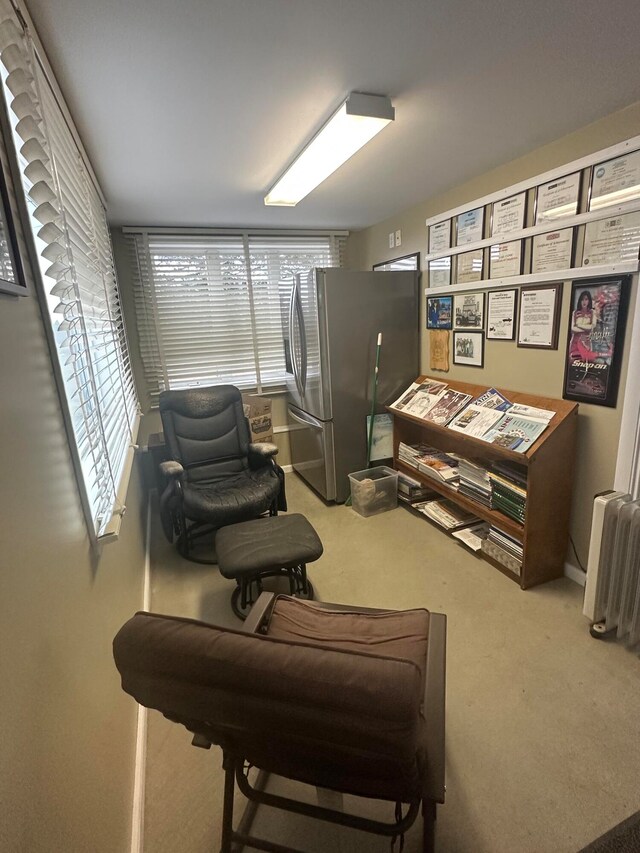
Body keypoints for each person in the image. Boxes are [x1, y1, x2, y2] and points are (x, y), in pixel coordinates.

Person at [569, 290, 601, 362]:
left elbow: (592, 326)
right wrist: (586, 328)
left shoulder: (592, 312)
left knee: (585, 363)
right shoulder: (575, 312)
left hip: (586, 343)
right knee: (573, 363)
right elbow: (572, 328)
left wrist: (579, 325)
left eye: (586, 299)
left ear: (589, 301)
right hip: (575, 342)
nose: (584, 301)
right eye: (582, 299)